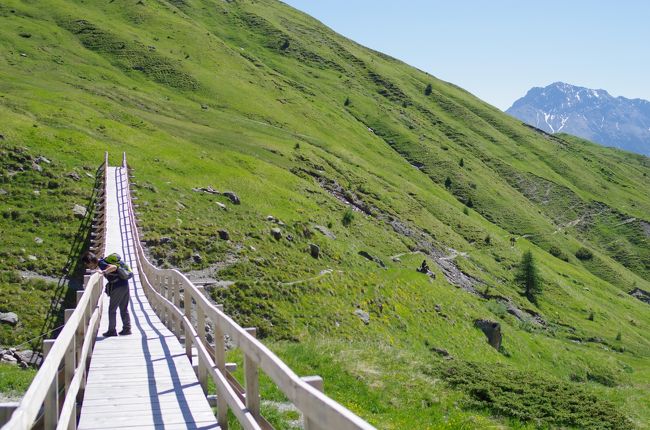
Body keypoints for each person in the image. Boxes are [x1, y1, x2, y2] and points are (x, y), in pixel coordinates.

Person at [82, 251, 131, 337]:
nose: (88, 267)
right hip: (124, 284)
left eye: (88, 265)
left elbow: (114, 267)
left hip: (117, 286)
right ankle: (127, 328)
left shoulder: (101, 263)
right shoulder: (102, 261)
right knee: (123, 307)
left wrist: (104, 272)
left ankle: (112, 331)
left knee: (112, 309)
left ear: (91, 261)